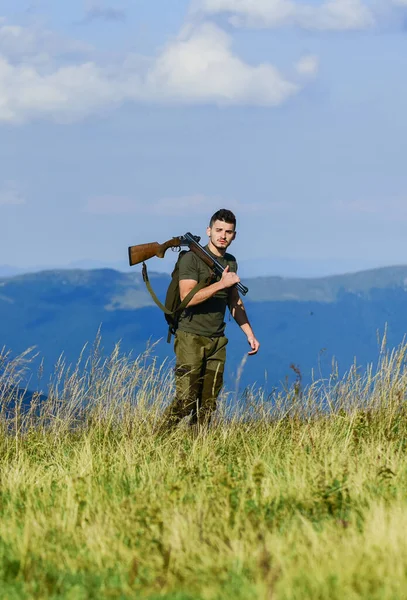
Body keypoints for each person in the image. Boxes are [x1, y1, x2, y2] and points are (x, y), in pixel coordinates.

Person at [161, 208, 260, 432]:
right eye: (218, 230)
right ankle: (157, 439)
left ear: (234, 235)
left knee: (207, 405)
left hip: (217, 340)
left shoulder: (230, 262)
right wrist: (221, 284)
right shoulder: (191, 259)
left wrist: (249, 334)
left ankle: (198, 450)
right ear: (208, 231)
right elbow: (187, 297)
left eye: (228, 232)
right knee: (186, 400)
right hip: (191, 337)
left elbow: (233, 301)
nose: (223, 235)